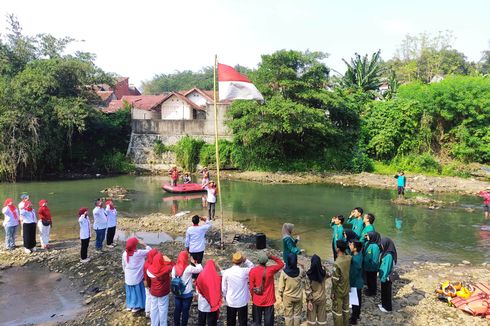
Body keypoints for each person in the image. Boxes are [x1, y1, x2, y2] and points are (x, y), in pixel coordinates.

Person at [249, 251, 284, 326]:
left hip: (257, 300)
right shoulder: (271, 270)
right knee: (268, 323)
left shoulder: (253, 271)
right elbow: (281, 264)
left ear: (258, 261)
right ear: (266, 261)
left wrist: (253, 298)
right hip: (269, 300)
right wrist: (272, 256)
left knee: (257, 322)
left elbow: (251, 288)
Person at [222, 252, 254, 326]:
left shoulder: (227, 272)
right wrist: (246, 260)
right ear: (241, 261)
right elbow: (252, 267)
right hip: (242, 301)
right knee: (242, 322)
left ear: (232, 261)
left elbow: (223, 288)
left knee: (230, 321)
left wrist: (225, 297)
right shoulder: (245, 271)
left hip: (231, 301)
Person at [172, 250, 203, 326]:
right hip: (187, 294)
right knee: (185, 311)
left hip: (177, 292)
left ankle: (176, 324)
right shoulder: (188, 268)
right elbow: (200, 269)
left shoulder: (174, 268)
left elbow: (173, 278)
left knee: (177, 310)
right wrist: (194, 262)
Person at [122, 237, 152, 313]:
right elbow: (151, 252)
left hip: (128, 277)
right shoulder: (138, 253)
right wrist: (144, 244)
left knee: (130, 291)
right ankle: (136, 306)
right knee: (137, 291)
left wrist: (125, 273)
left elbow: (123, 265)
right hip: (137, 277)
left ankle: (130, 305)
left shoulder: (125, 253)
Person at [278, 253, 306, 326]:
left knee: (288, 316)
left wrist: (281, 297)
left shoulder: (284, 273)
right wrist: (303, 266)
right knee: (297, 315)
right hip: (298, 297)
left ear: (288, 261)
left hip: (287, 297)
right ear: (296, 261)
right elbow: (304, 275)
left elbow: (280, 288)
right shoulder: (300, 271)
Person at [146, 252, 174, 326]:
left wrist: (150, 288)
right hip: (163, 292)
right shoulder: (167, 269)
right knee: (163, 309)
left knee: (154, 308)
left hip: (154, 292)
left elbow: (148, 282)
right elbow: (174, 266)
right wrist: (169, 260)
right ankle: (163, 324)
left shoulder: (149, 270)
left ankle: (154, 324)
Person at [305, 254, 330, 326]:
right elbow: (330, 274)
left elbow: (307, 289)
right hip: (322, 298)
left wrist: (309, 300)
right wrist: (324, 267)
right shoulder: (324, 274)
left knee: (311, 320)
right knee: (322, 319)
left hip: (313, 299)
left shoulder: (309, 275)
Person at [195, 259, 222, 326]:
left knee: (201, 321)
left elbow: (197, 288)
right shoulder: (216, 277)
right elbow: (219, 290)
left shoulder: (201, 275)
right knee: (212, 321)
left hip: (202, 303)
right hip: (212, 303)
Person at [331, 240, 351, 326]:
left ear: (338, 249)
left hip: (339, 291)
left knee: (337, 312)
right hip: (346, 288)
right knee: (346, 309)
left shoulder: (337, 263)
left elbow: (334, 281)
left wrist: (332, 292)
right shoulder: (349, 258)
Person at [378, 237, 397, 313]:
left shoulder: (389, 255)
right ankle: (383, 305)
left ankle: (388, 307)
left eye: (382, 245)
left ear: (386, 245)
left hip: (387, 277)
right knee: (383, 291)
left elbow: (387, 267)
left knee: (387, 292)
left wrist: (383, 277)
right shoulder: (385, 252)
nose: (381, 246)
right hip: (383, 276)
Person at [349, 240, 364, 325]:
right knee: (358, 299)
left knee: (355, 301)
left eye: (351, 245)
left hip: (355, 283)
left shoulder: (356, 260)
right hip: (359, 281)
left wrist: (350, 284)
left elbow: (353, 274)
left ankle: (354, 318)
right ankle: (357, 314)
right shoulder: (358, 254)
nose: (349, 245)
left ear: (355, 248)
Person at [362, 231, 381, 297]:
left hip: (372, 267)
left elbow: (375, 259)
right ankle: (369, 289)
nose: (367, 236)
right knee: (368, 279)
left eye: (368, 235)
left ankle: (373, 292)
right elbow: (362, 245)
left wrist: (372, 267)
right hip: (367, 266)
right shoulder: (368, 243)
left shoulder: (375, 246)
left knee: (372, 279)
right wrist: (364, 238)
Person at [144, 248, 159, 317]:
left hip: (146, 282)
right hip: (152, 284)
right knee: (153, 299)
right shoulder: (154, 264)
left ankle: (147, 311)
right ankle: (152, 314)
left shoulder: (146, 262)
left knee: (148, 297)